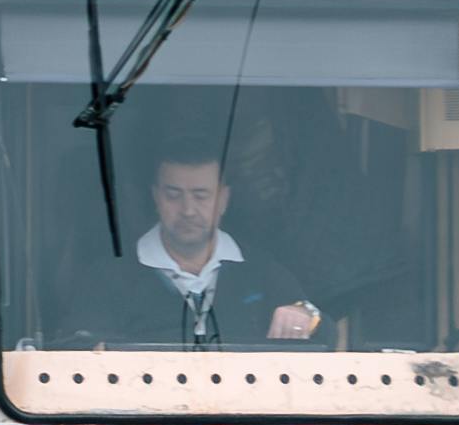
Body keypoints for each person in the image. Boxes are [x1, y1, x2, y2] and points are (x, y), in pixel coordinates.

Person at [132, 146, 323, 350]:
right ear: (156, 197)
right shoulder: (109, 277)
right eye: (173, 195)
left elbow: (326, 333)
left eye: (201, 196)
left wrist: (306, 315)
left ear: (223, 199)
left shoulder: (260, 270)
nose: (188, 210)